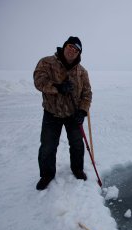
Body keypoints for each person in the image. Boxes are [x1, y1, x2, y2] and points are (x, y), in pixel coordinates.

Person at [33, 36, 92, 190]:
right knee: (48, 146)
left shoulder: (82, 71)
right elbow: (38, 81)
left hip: (74, 115)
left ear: (79, 53)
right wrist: (57, 87)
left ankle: (77, 169)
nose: (72, 50)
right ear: (65, 46)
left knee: (77, 145)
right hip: (52, 113)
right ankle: (47, 174)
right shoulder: (47, 62)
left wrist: (82, 111)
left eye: (76, 49)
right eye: (70, 46)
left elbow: (87, 94)